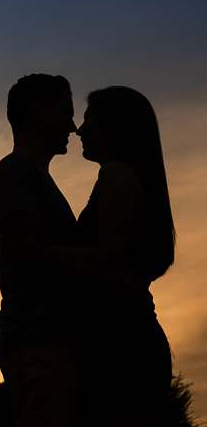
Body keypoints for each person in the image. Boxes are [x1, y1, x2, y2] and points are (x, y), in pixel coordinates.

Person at [69, 86, 174, 426]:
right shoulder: (131, 177)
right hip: (128, 340)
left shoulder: (116, 173)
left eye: (89, 119)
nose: (79, 129)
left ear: (115, 124)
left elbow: (108, 255)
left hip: (122, 345)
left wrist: (37, 251)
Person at [0, 74, 80, 427]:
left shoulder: (35, 175)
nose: (72, 126)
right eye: (65, 113)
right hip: (38, 340)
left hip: (50, 341)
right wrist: (106, 273)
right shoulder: (17, 168)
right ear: (36, 111)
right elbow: (23, 248)